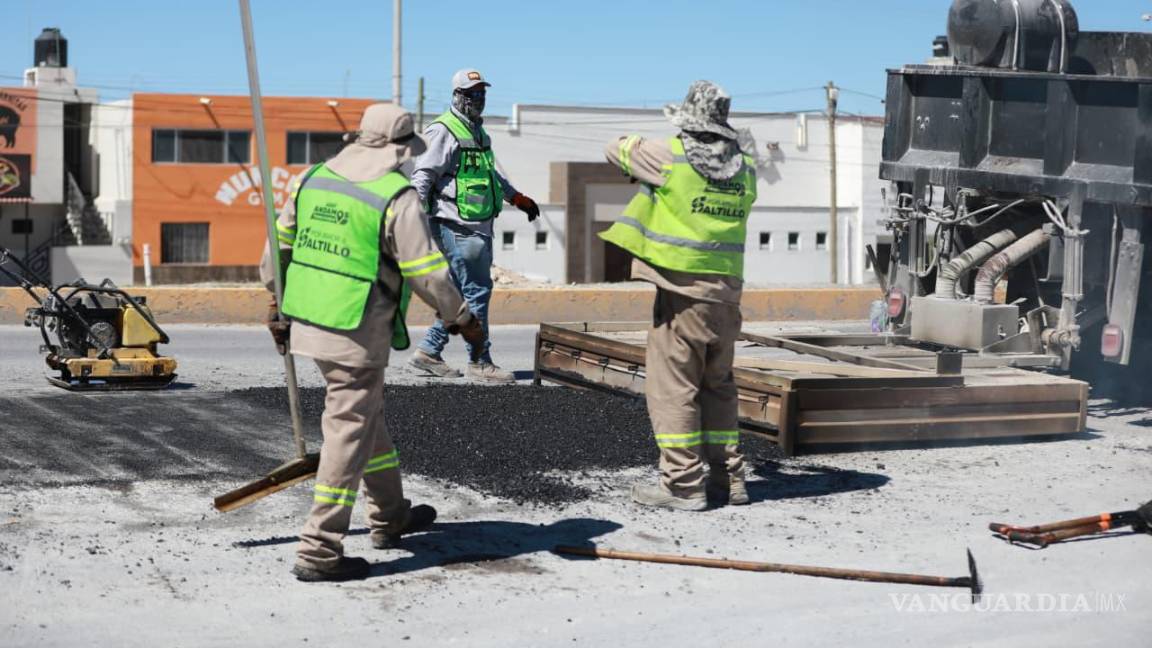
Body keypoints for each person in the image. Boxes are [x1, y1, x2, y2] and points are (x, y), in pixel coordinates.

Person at [261, 103, 486, 582]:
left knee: (366, 419)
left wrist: (273, 305)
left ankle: (389, 516)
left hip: (308, 321)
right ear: (400, 149)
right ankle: (319, 549)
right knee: (347, 428)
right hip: (355, 331)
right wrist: (463, 319)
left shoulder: (311, 179)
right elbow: (426, 272)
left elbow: (276, 248)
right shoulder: (394, 195)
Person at [600, 81, 758, 511]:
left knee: (674, 389)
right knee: (718, 386)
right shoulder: (745, 167)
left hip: (681, 294)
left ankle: (684, 484)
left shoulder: (671, 156)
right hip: (726, 295)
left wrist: (640, 148)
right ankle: (730, 480)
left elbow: (614, 148)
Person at [408, 68, 541, 383]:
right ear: (457, 96)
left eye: (481, 94)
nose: (477, 99)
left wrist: (515, 197)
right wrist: (413, 220)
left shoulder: (478, 133)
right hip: (456, 224)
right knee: (478, 291)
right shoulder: (443, 130)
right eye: (471, 94)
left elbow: (488, 175)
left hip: (477, 224)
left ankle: (429, 350)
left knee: (462, 293)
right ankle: (480, 361)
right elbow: (423, 175)